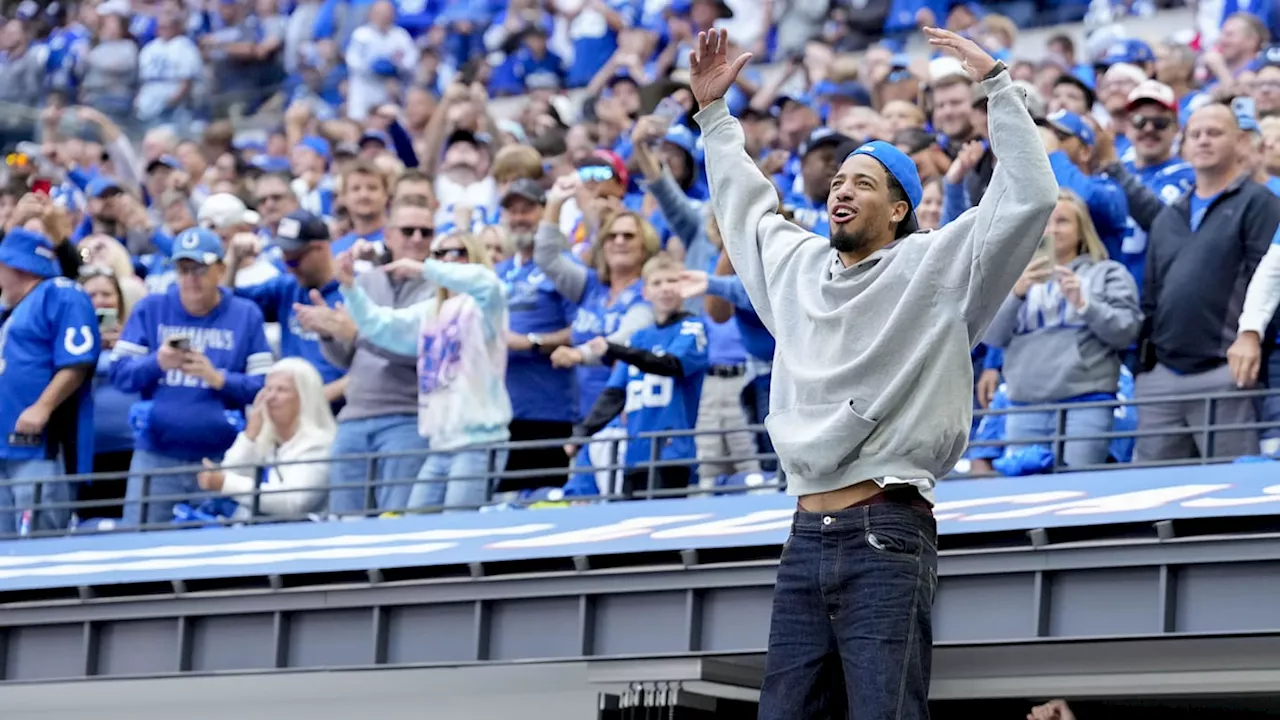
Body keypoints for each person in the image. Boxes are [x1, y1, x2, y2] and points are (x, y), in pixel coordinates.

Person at [688, 27, 1057, 719]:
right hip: (802, 534)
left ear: (899, 208)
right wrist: (714, 116)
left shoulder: (940, 267)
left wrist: (999, 87)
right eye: (835, 181)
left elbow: (1031, 197)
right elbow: (743, 205)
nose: (841, 191)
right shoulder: (795, 269)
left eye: (863, 181)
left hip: (886, 530)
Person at [338, 232, 512, 511]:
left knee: (457, 530)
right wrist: (351, 288)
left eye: (458, 253)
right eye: (440, 254)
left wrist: (424, 268)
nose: (448, 260)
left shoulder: (486, 305)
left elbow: (487, 282)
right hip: (439, 443)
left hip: (479, 441)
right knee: (417, 525)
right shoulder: (431, 311)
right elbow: (383, 326)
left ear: (476, 257)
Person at [110, 228, 273, 526]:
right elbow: (119, 373)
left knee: (219, 555)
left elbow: (265, 386)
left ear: (220, 270)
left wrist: (219, 379)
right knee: (139, 549)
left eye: (199, 268)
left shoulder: (245, 314)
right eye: (183, 269)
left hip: (220, 456)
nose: (190, 277)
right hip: (156, 456)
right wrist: (157, 362)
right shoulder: (152, 308)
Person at [983, 189, 1142, 469]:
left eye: (1063, 221)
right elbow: (991, 336)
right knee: (1026, 496)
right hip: (1025, 405)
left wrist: (1084, 303)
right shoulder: (1012, 277)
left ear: (1082, 230)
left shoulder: (1107, 273)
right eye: (1046, 221)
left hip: (1086, 404)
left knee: (1078, 492)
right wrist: (1016, 294)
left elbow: (1126, 331)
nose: (1052, 229)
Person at [569, 254, 709, 496]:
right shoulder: (639, 338)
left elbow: (669, 364)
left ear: (685, 288)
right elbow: (615, 393)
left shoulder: (692, 328)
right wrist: (584, 432)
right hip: (634, 450)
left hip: (670, 450)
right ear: (645, 293)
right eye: (657, 283)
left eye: (672, 281)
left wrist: (615, 349)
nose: (665, 288)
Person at [0, 229, 100, 536]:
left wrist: (43, 406)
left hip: (40, 446)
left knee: (39, 545)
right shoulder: (11, 310)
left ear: (17, 266)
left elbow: (77, 361)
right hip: (5, 445)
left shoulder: (60, 292)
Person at [196, 358, 336, 520]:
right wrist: (250, 434)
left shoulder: (319, 443)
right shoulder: (267, 441)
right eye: (267, 389)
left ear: (304, 397)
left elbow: (295, 502)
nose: (270, 397)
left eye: (281, 390)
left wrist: (226, 483)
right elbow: (231, 473)